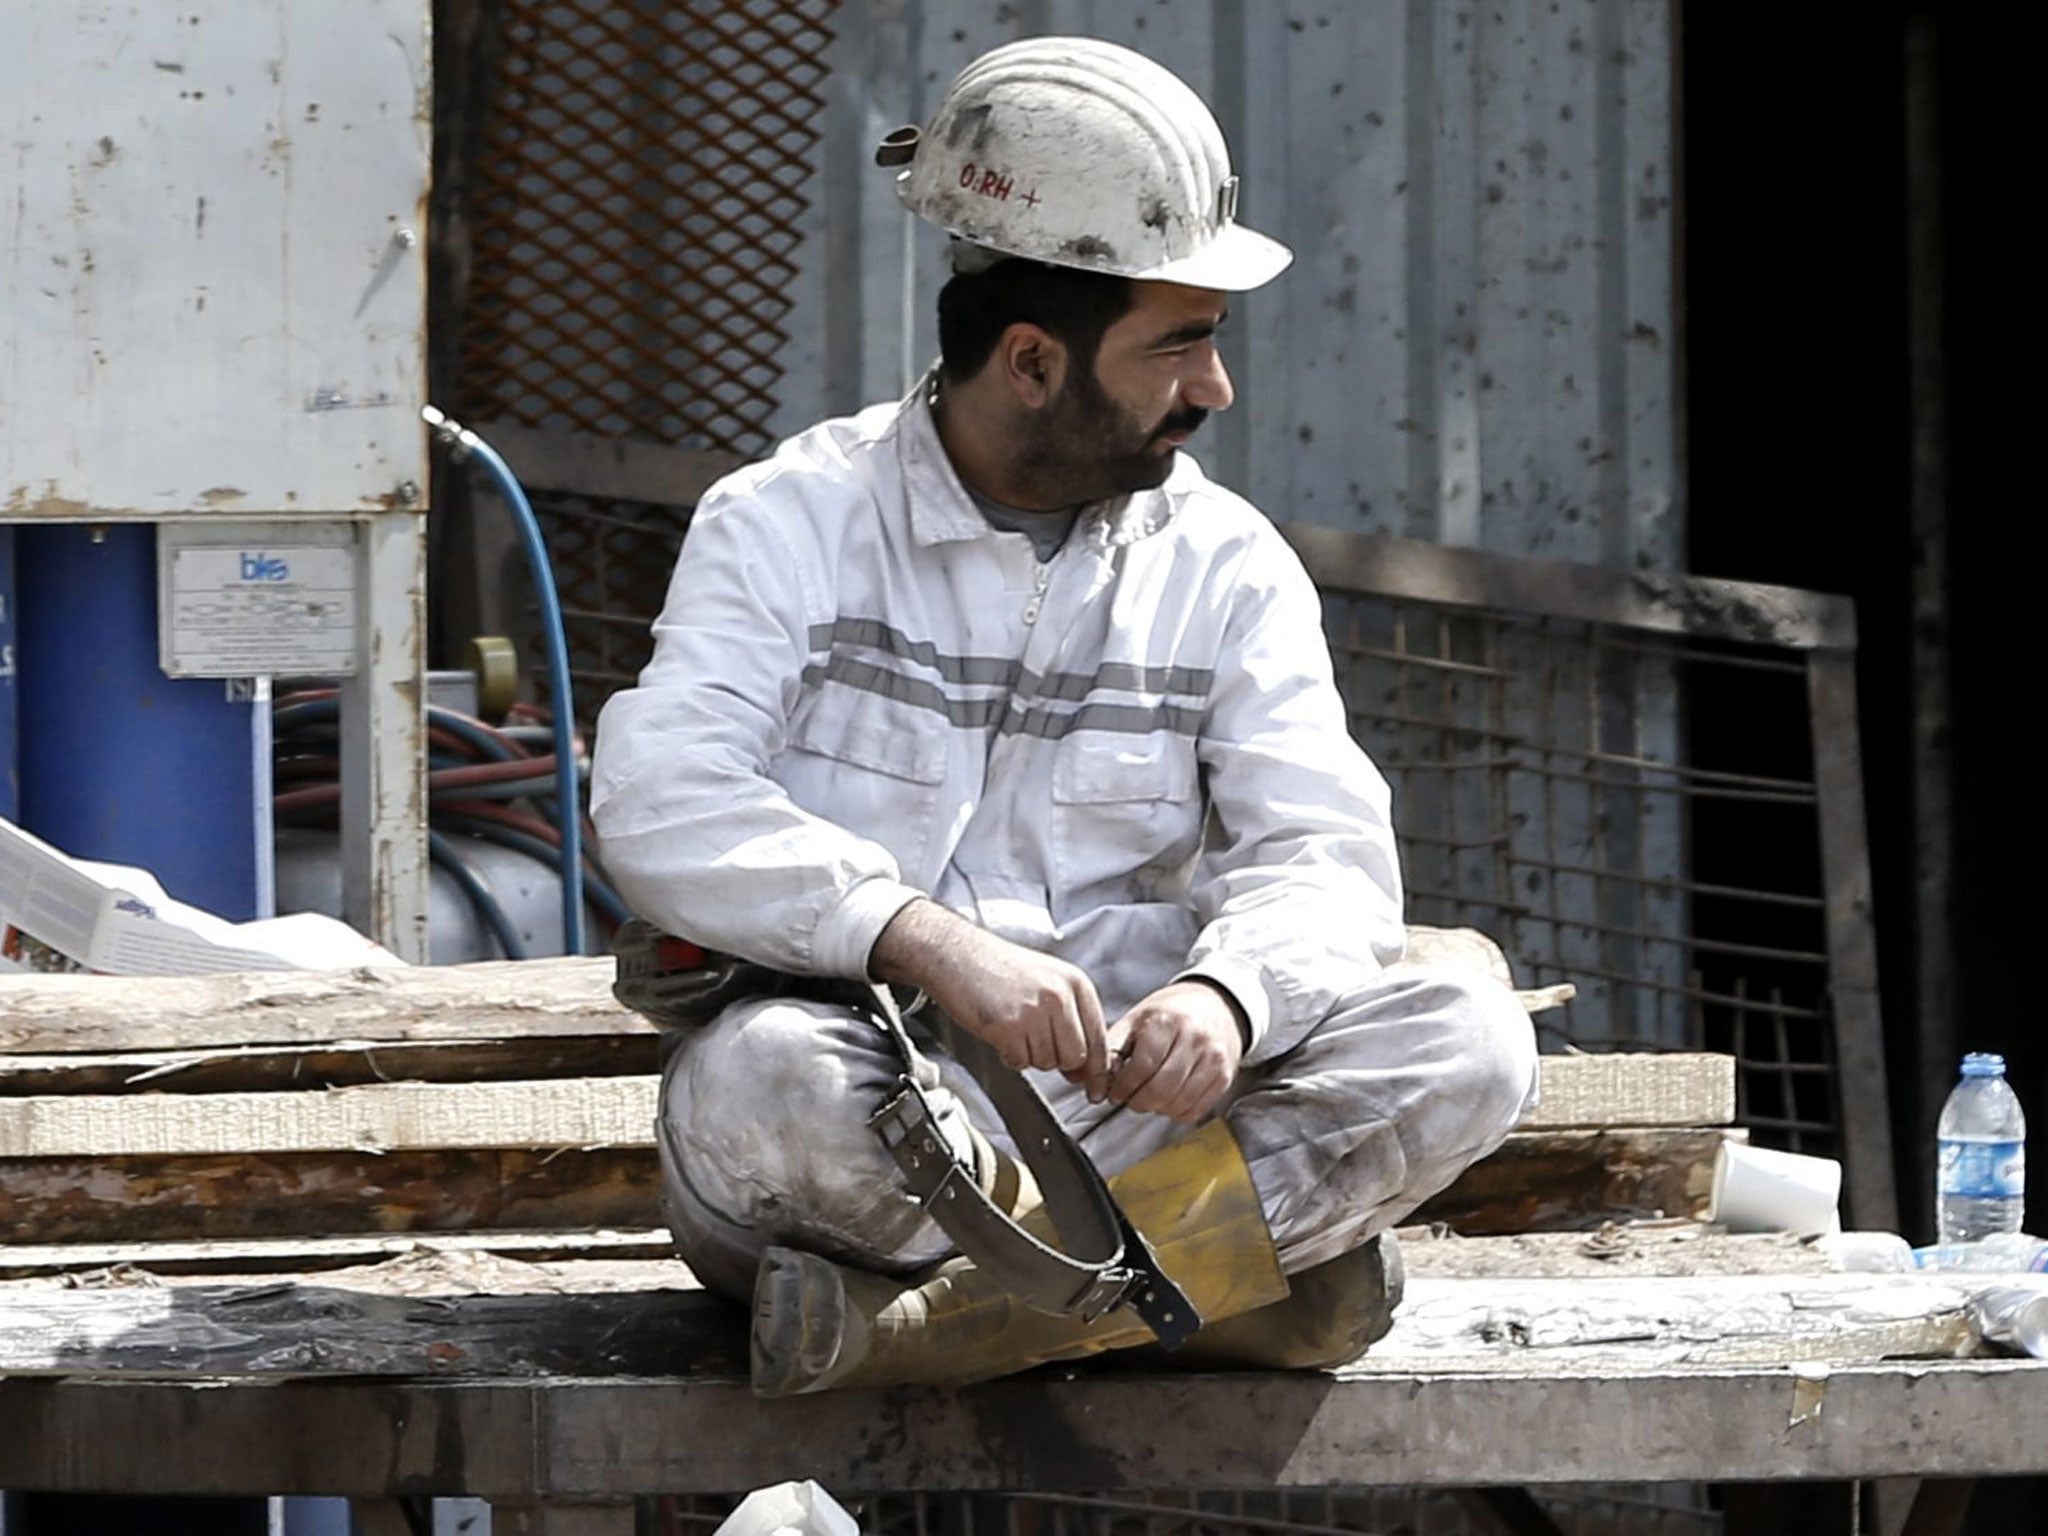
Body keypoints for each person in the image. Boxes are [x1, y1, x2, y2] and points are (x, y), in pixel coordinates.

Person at [590, 35, 1538, 1395]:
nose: (1211, 390)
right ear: (1033, 361)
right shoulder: (792, 518)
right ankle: (1215, 1293)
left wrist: (1231, 995)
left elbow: (1326, 858)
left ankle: (933, 1339)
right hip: (888, 1133)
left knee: (1471, 1040)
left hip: (1141, 1130)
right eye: (1179, 348)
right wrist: (925, 943)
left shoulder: (1227, 566)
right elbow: (658, 798)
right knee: (767, 1087)